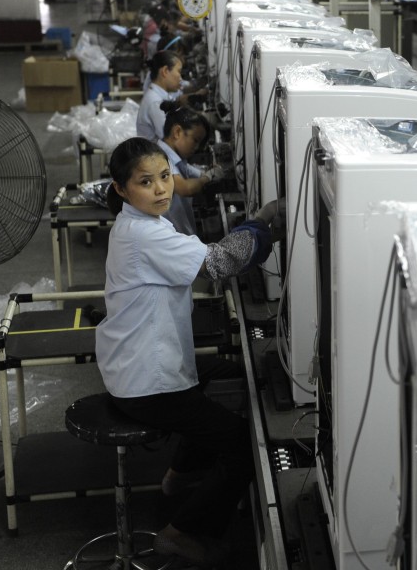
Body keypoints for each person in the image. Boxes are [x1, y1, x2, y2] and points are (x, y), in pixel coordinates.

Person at [96, 137, 280, 566]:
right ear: (122, 189)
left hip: (135, 363)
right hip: (145, 381)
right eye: (146, 182)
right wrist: (262, 224)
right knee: (239, 444)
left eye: (164, 177)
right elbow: (216, 263)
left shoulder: (144, 223)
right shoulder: (142, 235)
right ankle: (180, 533)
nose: (161, 188)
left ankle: (176, 480)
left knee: (215, 374)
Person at [155, 103, 222, 235]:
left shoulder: (178, 160)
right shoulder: (160, 157)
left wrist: (210, 172)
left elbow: (193, 172)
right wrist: (207, 177)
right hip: (169, 240)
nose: (197, 148)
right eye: (195, 140)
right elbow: (185, 188)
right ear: (177, 132)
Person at [138, 51, 183, 141]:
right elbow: (172, 138)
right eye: (179, 71)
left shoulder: (159, 96)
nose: (180, 78)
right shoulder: (155, 102)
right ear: (165, 71)